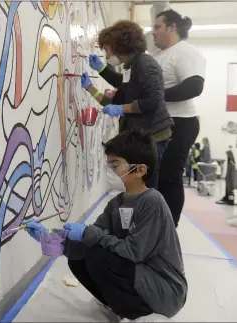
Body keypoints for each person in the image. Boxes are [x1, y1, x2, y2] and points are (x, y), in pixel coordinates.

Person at [23, 127, 187, 321]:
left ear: (140, 170)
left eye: (116, 166)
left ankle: (140, 314)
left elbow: (134, 252)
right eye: (109, 166)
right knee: (79, 256)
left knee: (97, 253)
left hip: (165, 289)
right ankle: (119, 307)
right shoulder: (116, 204)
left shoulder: (152, 201)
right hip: (142, 277)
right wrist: (52, 236)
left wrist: (88, 234)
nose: (111, 173)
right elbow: (92, 237)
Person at [81, 20, 173, 190]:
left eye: (107, 50)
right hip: (142, 134)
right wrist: (90, 88)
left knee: (144, 185)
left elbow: (153, 101)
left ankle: (147, 215)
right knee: (136, 183)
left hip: (154, 135)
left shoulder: (145, 64)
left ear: (119, 45)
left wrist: (121, 109)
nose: (107, 56)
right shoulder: (130, 66)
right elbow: (118, 99)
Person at [148, 5, 206, 227]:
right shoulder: (159, 55)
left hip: (180, 124)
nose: (152, 32)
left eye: (157, 27)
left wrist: (155, 98)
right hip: (161, 124)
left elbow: (193, 87)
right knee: (155, 178)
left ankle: (168, 231)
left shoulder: (185, 52)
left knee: (169, 177)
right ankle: (156, 227)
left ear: (172, 27)